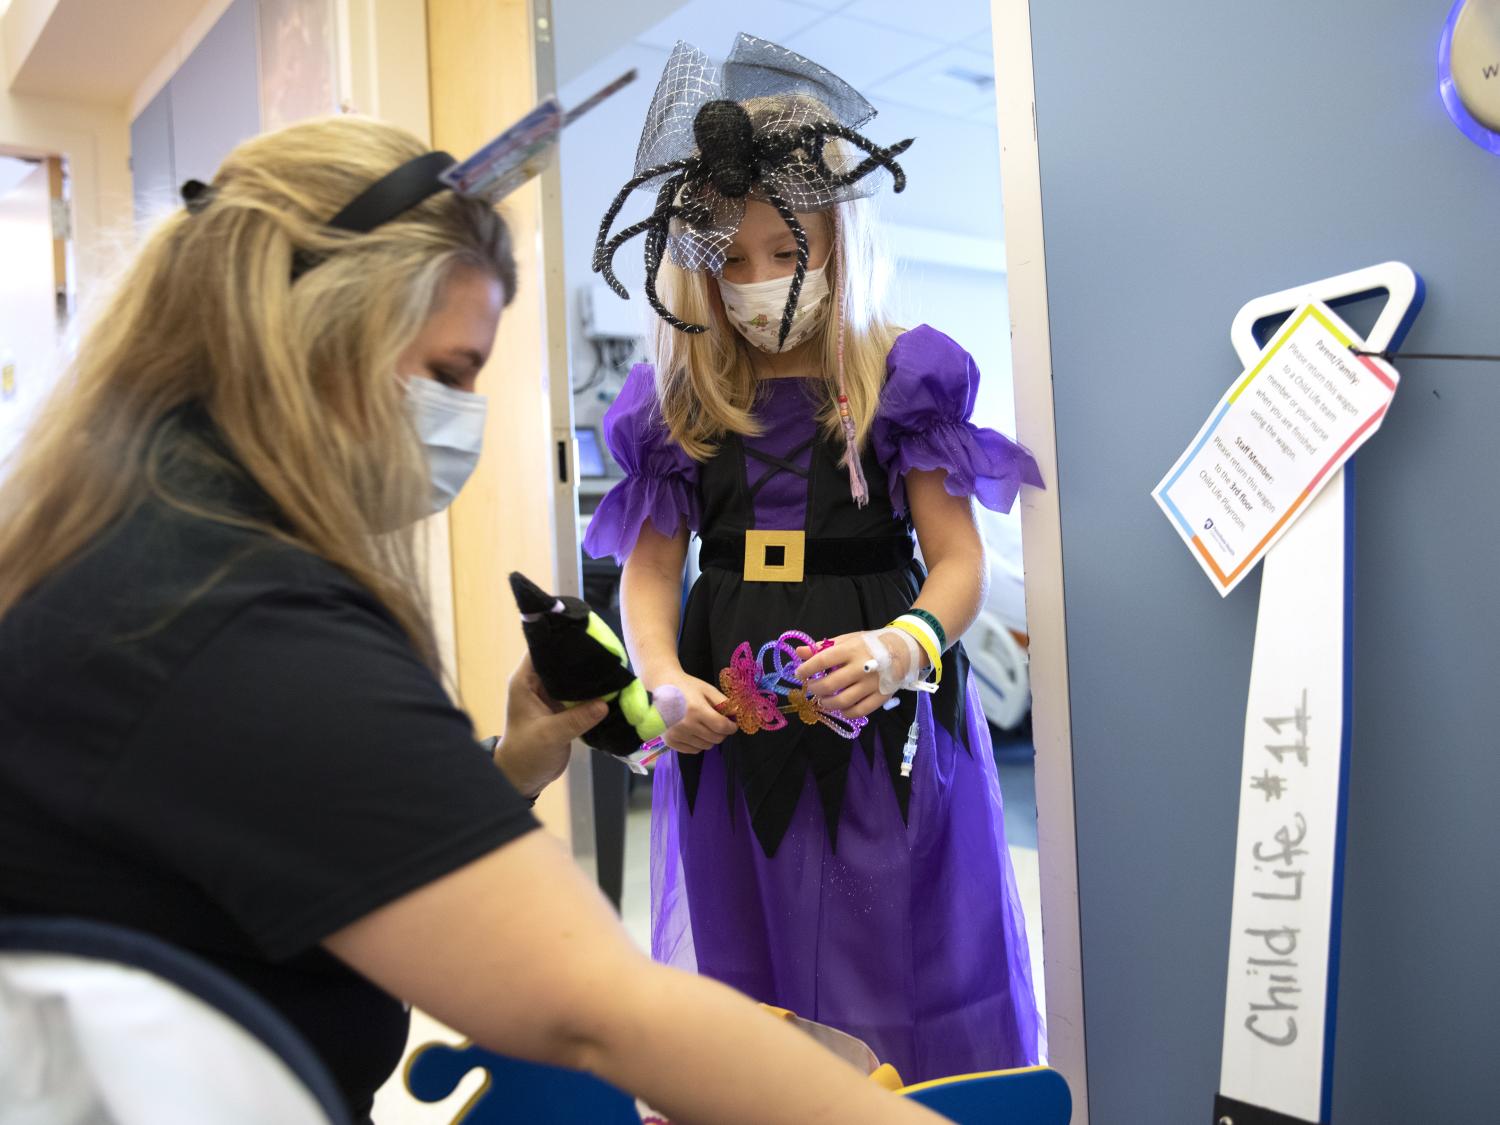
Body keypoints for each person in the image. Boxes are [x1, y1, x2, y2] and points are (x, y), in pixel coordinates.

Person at [0, 115, 945, 1125]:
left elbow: (303, 839)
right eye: (449, 373)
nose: (464, 415)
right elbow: (594, 1008)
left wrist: (511, 765)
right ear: (311, 332)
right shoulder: (236, 618)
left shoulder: (142, 546)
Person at [583, 35, 1045, 1084]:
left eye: (784, 254)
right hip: (728, 727)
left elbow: (959, 561)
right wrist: (659, 680)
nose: (757, 283)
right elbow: (652, 575)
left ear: (837, 241)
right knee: (753, 963)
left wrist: (902, 645)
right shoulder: (677, 404)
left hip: (884, 716)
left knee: (900, 951)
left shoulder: (905, 377)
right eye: (732, 261)